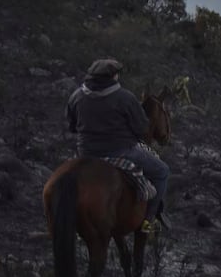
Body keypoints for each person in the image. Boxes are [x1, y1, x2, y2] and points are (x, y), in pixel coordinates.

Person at [66, 58, 170, 232]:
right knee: (162, 171)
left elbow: (72, 126)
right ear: (113, 76)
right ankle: (149, 221)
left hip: (86, 153)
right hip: (121, 151)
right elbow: (142, 128)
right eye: (117, 75)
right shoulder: (125, 97)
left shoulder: (76, 96)